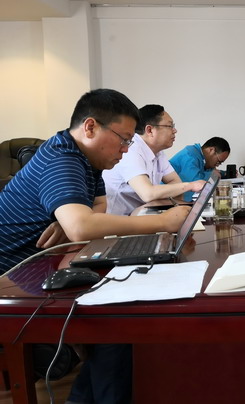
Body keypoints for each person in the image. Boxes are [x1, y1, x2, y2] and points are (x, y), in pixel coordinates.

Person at [0, 89, 193, 404]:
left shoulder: (86, 158)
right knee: (116, 320)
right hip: (14, 280)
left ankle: (82, 398)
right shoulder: (62, 157)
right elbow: (82, 226)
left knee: (126, 299)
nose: (126, 150)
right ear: (90, 127)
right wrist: (162, 223)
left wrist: (70, 220)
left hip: (48, 265)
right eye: (124, 139)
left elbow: (98, 207)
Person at [102, 104, 205, 215]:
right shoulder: (131, 150)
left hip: (140, 215)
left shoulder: (158, 152)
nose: (175, 130)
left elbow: (175, 182)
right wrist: (190, 185)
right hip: (117, 220)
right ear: (150, 130)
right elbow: (148, 193)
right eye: (170, 126)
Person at [170, 137, 231, 201]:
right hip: (169, 201)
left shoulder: (202, 159)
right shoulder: (190, 156)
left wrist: (224, 173)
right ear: (211, 150)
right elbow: (196, 183)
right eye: (218, 161)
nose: (218, 165)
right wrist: (212, 174)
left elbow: (208, 171)